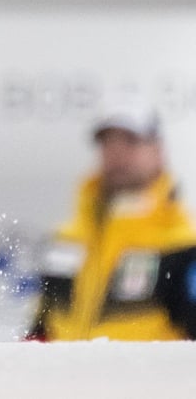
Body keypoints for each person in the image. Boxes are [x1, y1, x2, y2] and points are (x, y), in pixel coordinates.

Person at [27, 92, 196, 341]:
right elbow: (38, 336)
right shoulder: (64, 240)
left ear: (158, 151)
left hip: (148, 380)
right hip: (64, 379)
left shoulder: (184, 245)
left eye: (130, 140)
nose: (117, 152)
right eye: (107, 142)